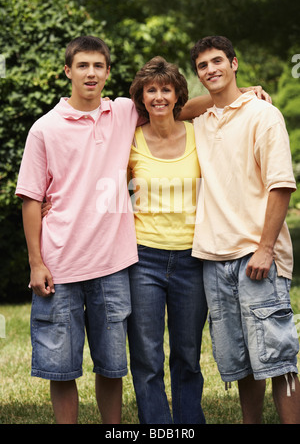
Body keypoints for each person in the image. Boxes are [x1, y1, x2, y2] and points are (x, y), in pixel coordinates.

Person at [15, 36, 215, 424]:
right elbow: (30, 199)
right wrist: (35, 262)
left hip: (113, 264)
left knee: (113, 364)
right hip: (62, 264)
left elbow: (175, 105)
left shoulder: (123, 112)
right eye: (83, 66)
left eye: (98, 66)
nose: (91, 73)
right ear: (68, 71)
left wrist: (238, 93)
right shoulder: (44, 129)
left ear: (108, 72)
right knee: (65, 367)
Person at [190, 35, 300, 424]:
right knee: (240, 361)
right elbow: (169, 106)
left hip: (257, 255)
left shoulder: (263, 115)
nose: (211, 70)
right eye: (203, 66)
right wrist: (226, 97)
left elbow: (281, 184)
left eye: (218, 61)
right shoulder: (200, 120)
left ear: (234, 63)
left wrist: (265, 248)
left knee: (279, 357)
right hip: (213, 258)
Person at [127, 56, 207, 424]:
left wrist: (250, 90)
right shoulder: (130, 141)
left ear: (177, 96)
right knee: (146, 355)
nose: (159, 96)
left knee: (188, 354)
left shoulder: (197, 132)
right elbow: (93, 173)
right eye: (151, 90)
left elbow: (219, 99)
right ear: (142, 97)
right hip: (144, 258)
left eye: (166, 89)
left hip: (192, 258)